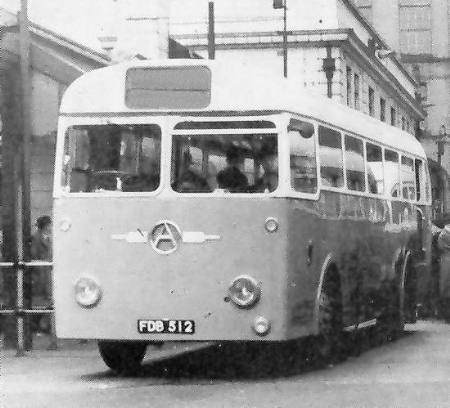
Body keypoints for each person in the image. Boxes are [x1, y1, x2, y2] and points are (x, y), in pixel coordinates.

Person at [30, 216, 53, 334]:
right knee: (42, 300)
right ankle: (39, 325)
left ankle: (43, 325)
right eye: (49, 225)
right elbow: (34, 254)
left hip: (45, 272)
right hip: (40, 273)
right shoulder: (37, 238)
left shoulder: (45, 237)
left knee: (47, 299)